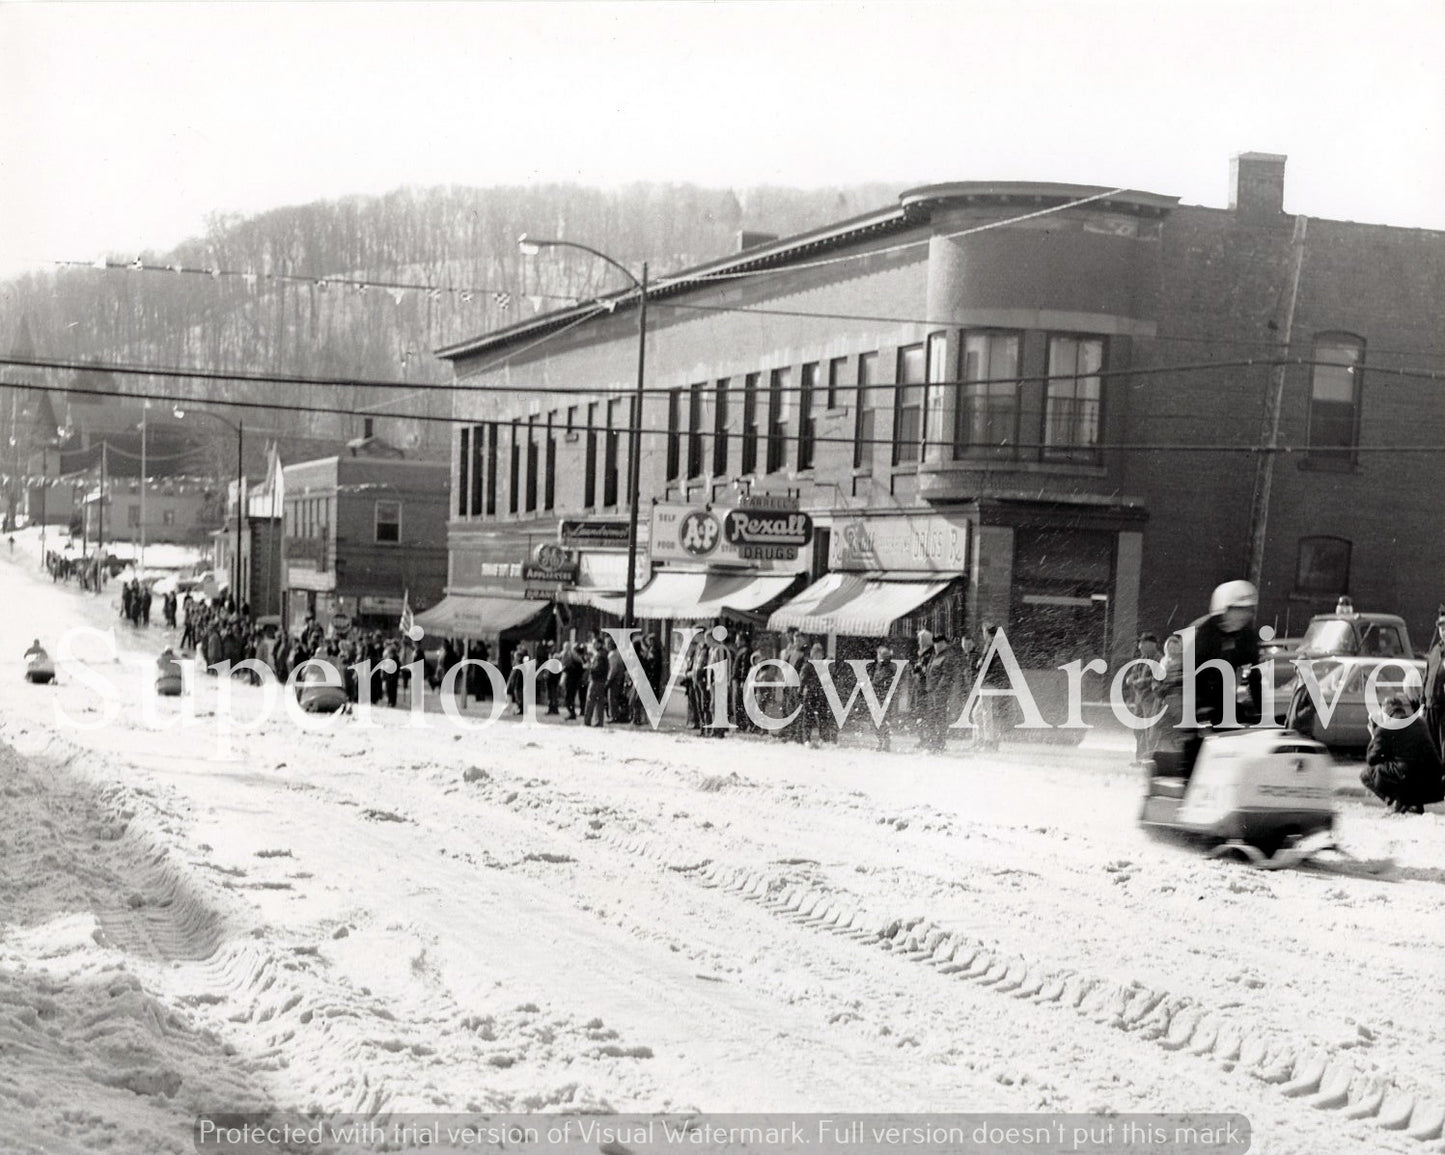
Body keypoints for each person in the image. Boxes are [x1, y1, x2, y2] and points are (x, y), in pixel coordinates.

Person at [1165, 579, 1263, 779]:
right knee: (1196, 739)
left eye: (1249, 610)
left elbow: (1254, 673)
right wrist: (1200, 713)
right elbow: (1191, 676)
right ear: (1224, 608)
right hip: (1186, 689)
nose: (1246, 615)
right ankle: (1188, 785)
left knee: (1236, 734)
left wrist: (1259, 711)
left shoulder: (1246, 636)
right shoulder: (1203, 633)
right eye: (1240, 609)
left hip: (1220, 692)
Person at [1362, 695, 1444, 814]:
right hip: (1433, 781)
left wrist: (1374, 735)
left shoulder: (1384, 729)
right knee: (1405, 765)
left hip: (1408, 779)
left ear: (1385, 713)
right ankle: (1413, 803)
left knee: (1367, 774)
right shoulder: (1420, 722)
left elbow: (1371, 759)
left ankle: (1398, 801)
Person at [1125, 632, 1165, 766]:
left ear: (1152, 644)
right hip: (1140, 699)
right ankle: (1140, 759)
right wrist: (1131, 678)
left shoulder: (1160, 659)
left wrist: (1144, 681)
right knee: (1138, 730)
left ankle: (1148, 760)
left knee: (1150, 731)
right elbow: (1134, 674)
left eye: (1143, 643)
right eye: (1140, 643)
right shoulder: (1141, 660)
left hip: (1152, 699)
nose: (1140, 646)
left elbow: (1160, 677)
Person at [1423, 604, 1445, 765]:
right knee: (1431, 747)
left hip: (1443, 708)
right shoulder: (1436, 650)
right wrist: (1423, 702)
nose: (1443, 631)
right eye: (1441, 628)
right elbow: (1427, 675)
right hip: (1430, 706)